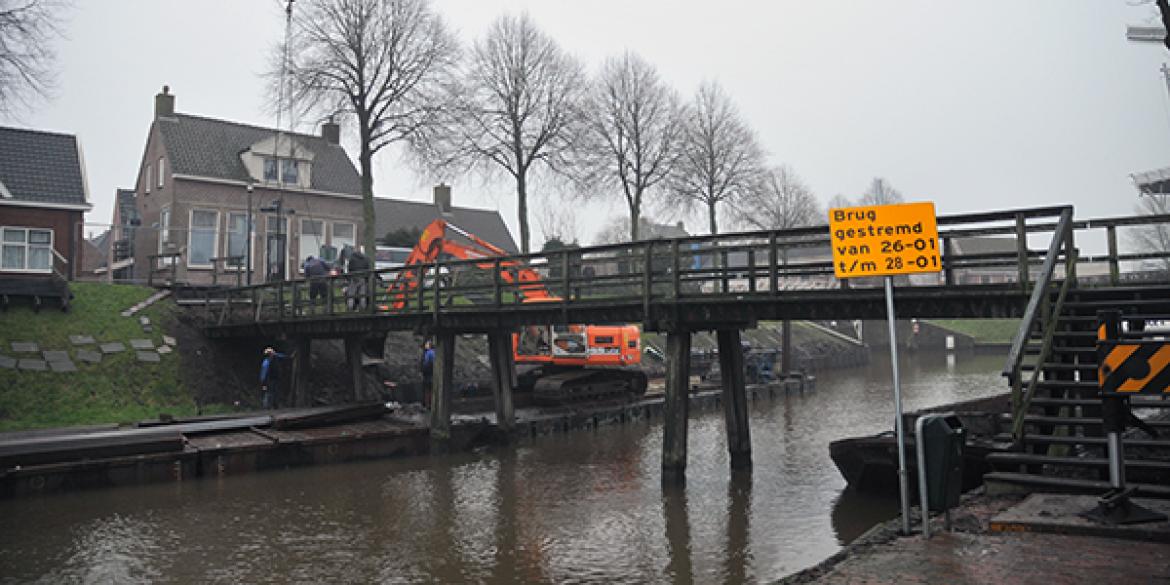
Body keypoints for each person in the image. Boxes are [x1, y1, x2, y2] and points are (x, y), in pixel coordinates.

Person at [420, 340, 435, 407]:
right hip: (433, 374)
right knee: (431, 389)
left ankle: (427, 404)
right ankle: (431, 403)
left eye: (427, 344)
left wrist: (422, 371)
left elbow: (426, 364)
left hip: (428, 374)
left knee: (427, 389)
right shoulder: (434, 352)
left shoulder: (428, 353)